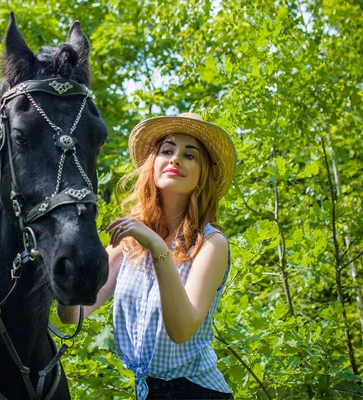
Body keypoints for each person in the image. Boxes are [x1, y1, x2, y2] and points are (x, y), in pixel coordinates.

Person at [58, 112, 236, 399]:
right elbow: (74, 314)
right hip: (146, 391)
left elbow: (181, 329)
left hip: (197, 392)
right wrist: (65, 264)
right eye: (167, 150)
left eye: (190, 156)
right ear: (152, 164)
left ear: (204, 174)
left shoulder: (212, 244)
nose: (176, 159)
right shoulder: (131, 241)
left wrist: (157, 247)